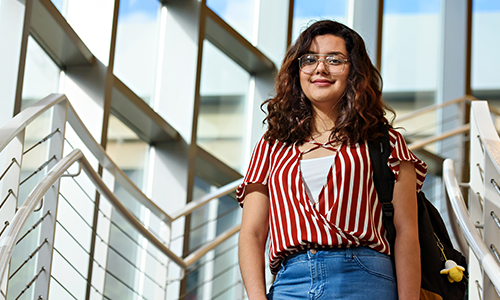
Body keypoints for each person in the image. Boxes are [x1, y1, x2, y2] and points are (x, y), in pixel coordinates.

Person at [236, 20, 427, 300]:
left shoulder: (384, 142)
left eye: (335, 60)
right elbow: (252, 233)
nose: (320, 68)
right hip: (290, 285)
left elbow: (407, 232)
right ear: (297, 71)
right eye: (310, 59)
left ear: (354, 72)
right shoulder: (272, 145)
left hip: (365, 279)